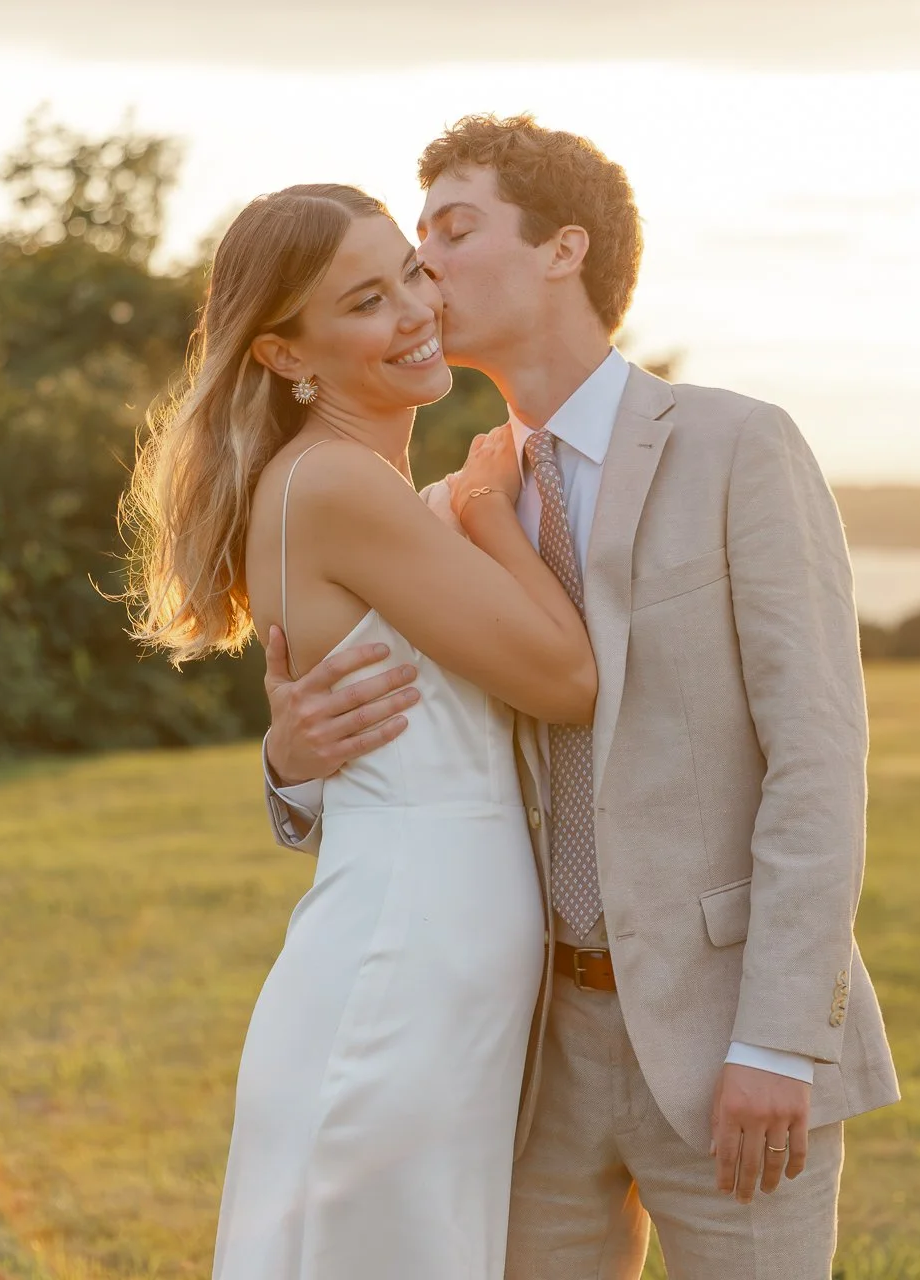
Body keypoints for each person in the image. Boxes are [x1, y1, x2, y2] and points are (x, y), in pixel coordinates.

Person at [263, 117, 901, 1279]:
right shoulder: (460, 501)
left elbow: (817, 759)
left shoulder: (737, 446)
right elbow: (420, 747)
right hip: (529, 1048)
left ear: (565, 248)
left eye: (450, 235)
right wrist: (288, 766)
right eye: (412, 254)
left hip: (724, 1039)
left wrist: (775, 1041)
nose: (426, 276)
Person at [121, 182, 597, 1278]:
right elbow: (567, 678)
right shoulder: (338, 483)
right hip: (407, 951)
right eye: (367, 301)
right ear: (288, 355)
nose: (416, 310)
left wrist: (289, 765)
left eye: (414, 274)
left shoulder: (361, 484)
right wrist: (484, 513)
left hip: (439, 937)